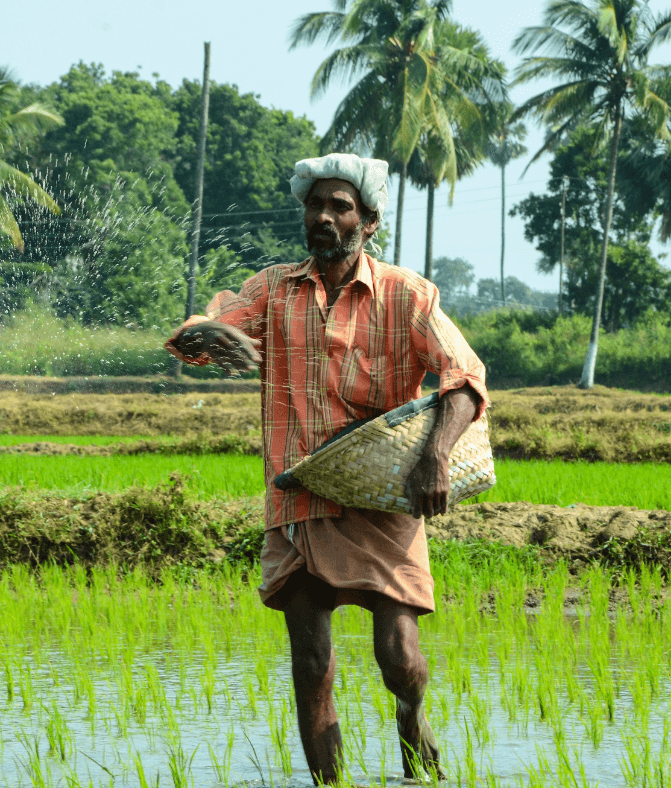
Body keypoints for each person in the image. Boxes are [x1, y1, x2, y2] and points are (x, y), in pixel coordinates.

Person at [165, 153, 488, 783]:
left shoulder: (408, 295)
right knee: (312, 663)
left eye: (339, 207)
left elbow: (465, 379)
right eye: (315, 205)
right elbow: (195, 342)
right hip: (298, 494)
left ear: (368, 222)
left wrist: (434, 455)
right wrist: (212, 333)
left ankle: (411, 717)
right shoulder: (272, 289)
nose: (323, 216)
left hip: (380, 493)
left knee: (399, 659)